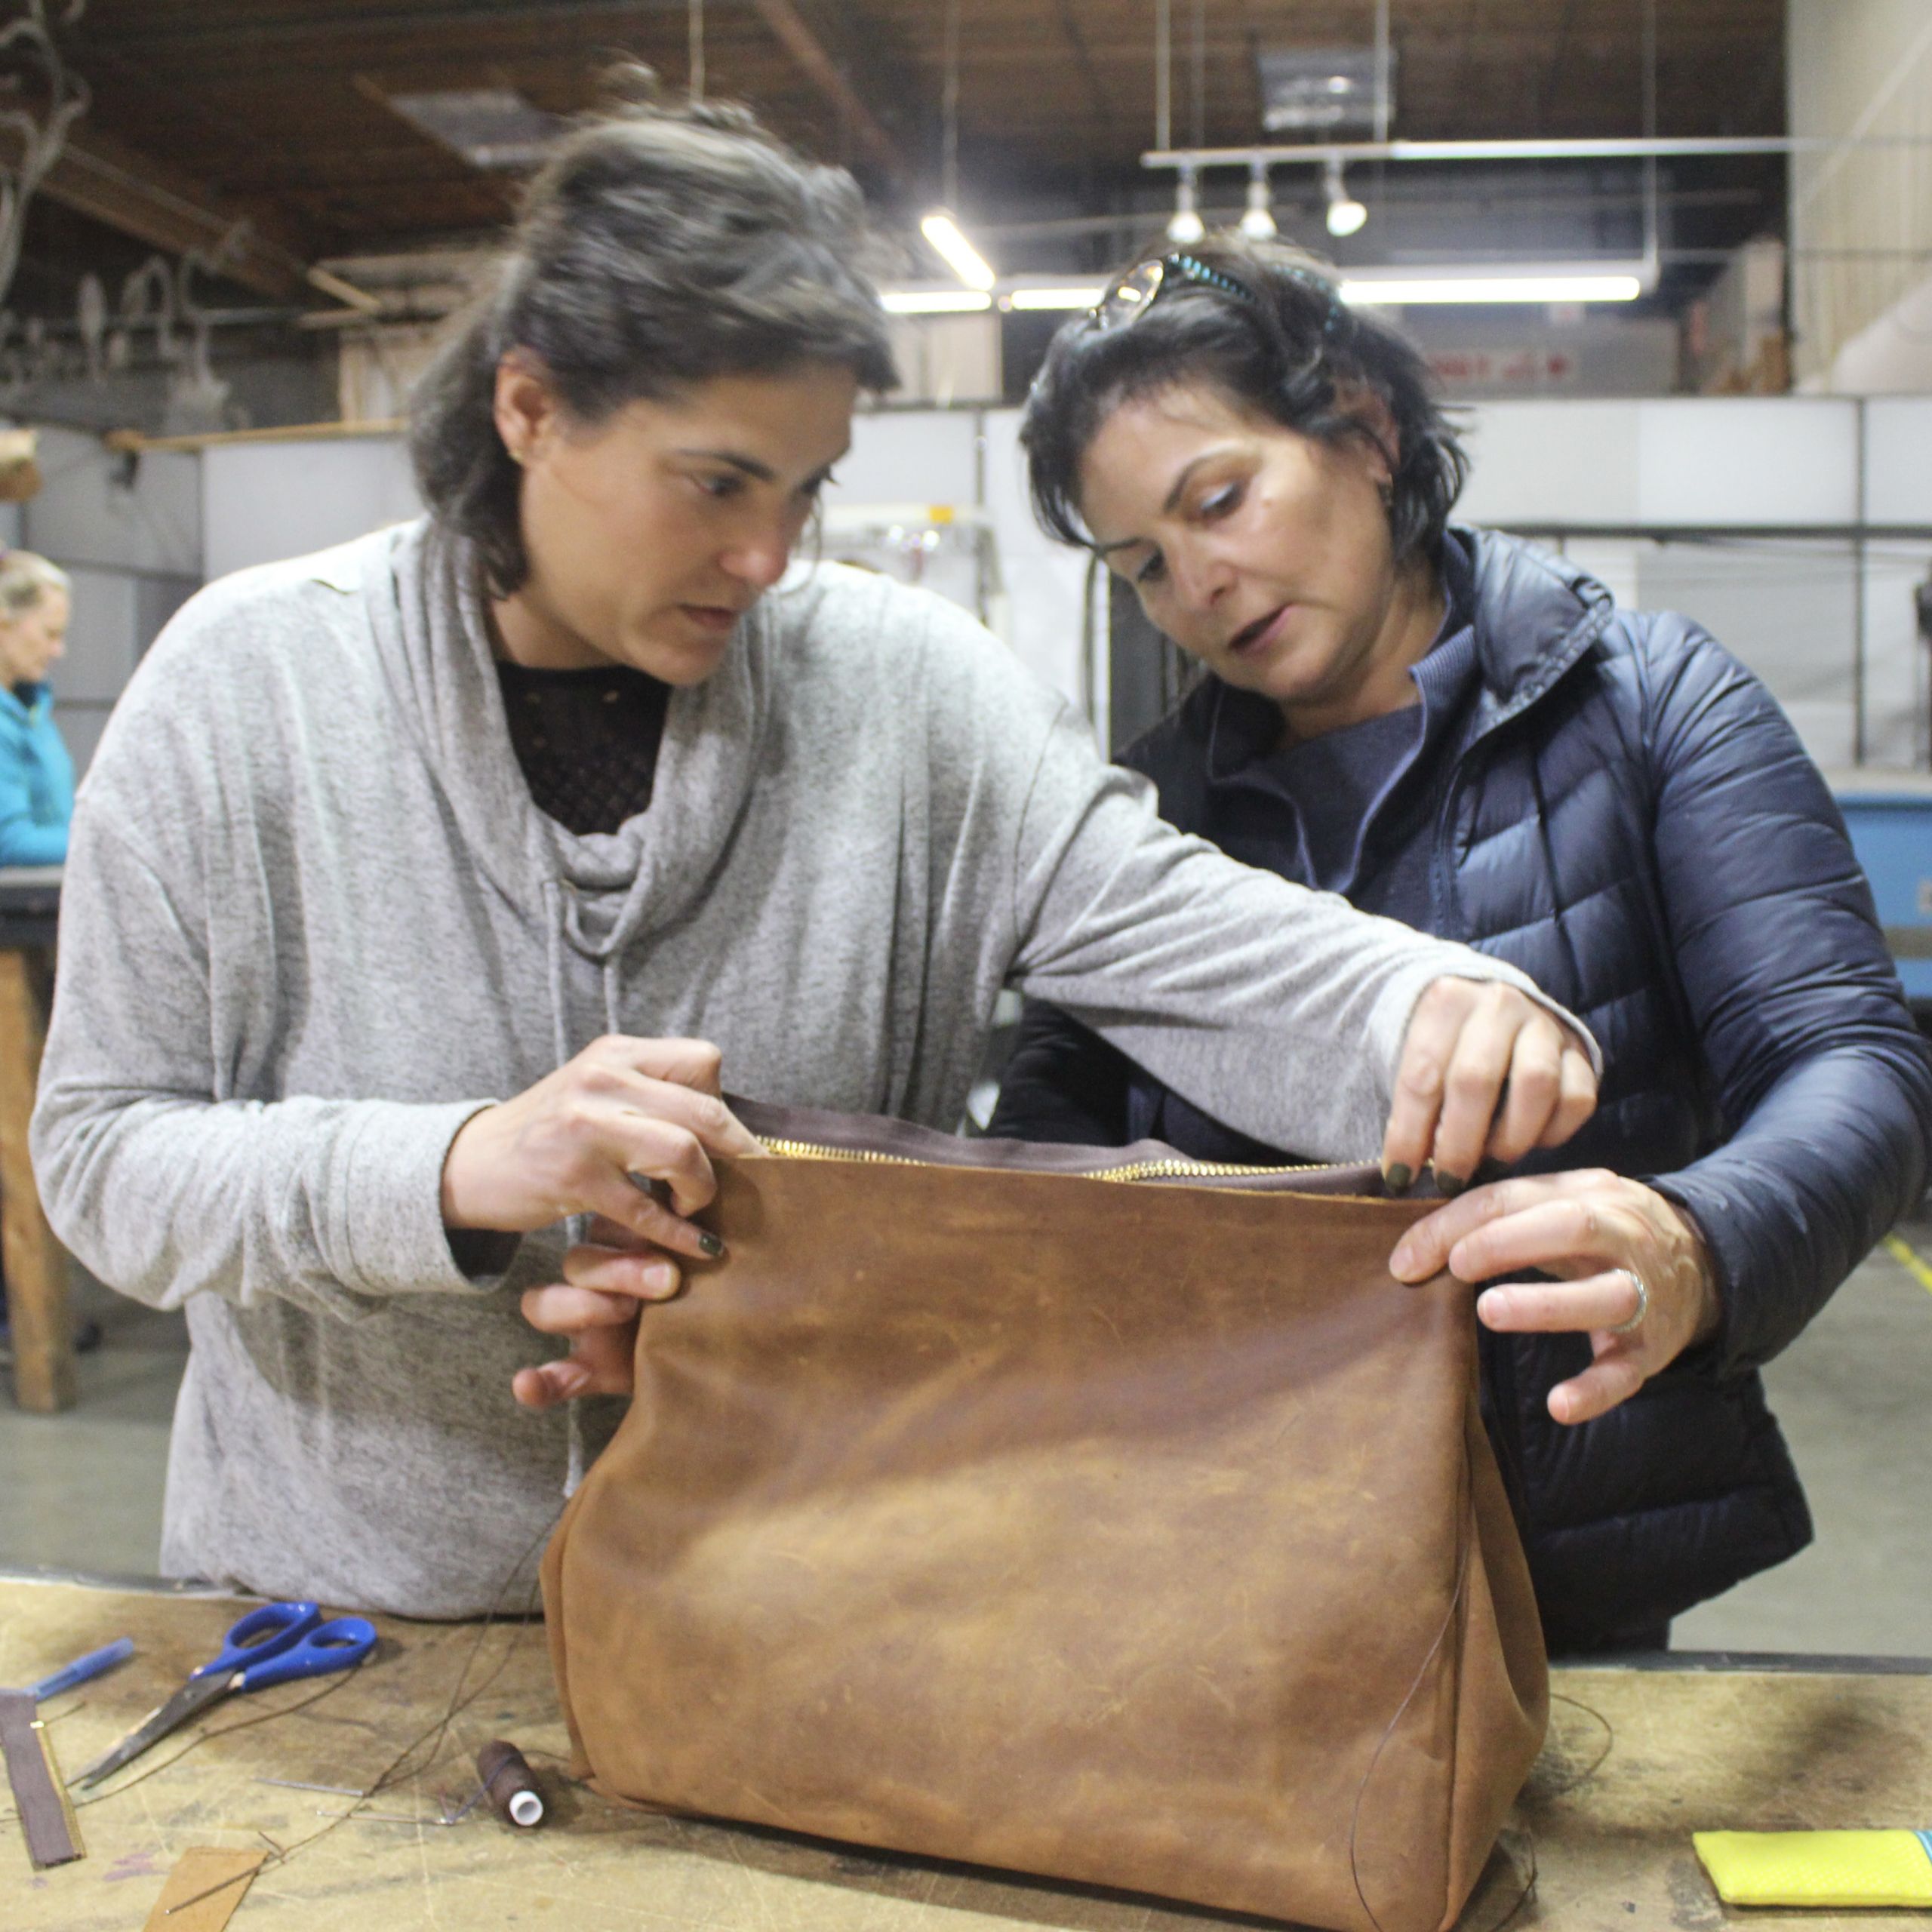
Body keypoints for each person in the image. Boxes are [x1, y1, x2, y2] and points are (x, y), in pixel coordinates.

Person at [29, 92, 1597, 1620]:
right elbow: (103, 1160)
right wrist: (452, 1168)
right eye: (716, 482)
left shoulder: (908, 695)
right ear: (530, 408)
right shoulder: (248, 689)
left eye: (805, 489)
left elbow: (1172, 925)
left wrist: (1426, 1004)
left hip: (799, 1617)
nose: (767, 556)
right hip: (341, 1618)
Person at [990, 238, 1932, 1654]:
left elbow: (1852, 1064)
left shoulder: (1649, 706)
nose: (1199, 586)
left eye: (1221, 501)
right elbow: (1049, 1162)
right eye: (1144, 566)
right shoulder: (1148, 821)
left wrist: (1697, 1240)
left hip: (1576, 1576)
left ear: (1366, 431)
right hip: (1231, 1581)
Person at [0, 549, 73, 866]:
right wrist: (101, 843)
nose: (58, 650)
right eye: (50, 633)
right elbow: (9, 843)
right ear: (4, 621)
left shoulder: (30, 709)